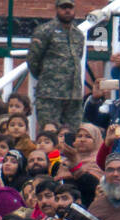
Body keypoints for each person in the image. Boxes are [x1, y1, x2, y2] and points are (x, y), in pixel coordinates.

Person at [28, 0, 87, 129]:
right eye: (63, 7)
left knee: (73, 135)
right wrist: (47, 79)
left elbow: (78, 58)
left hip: (73, 94)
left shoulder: (78, 34)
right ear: (57, 9)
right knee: (49, 134)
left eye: (70, 7)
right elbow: (33, 60)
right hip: (50, 94)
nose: (67, 11)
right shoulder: (44, 31)